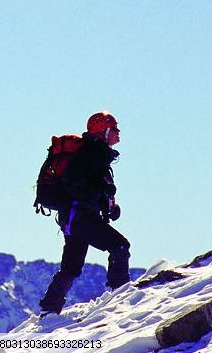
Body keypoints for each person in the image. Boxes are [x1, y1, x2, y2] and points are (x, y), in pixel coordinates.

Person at [39, 111, 130, 315]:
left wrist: (110, 206)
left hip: (72, 217)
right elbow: (75, 182)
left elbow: (91, 185)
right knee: (120, 245)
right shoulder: (93, 153)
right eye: (114, 128)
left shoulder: (95, 153)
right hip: (80, 216)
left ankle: (49, 308)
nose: (118, 132)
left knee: (71, 266)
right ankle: (121, 293)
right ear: (102, 131)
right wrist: (98, 196)